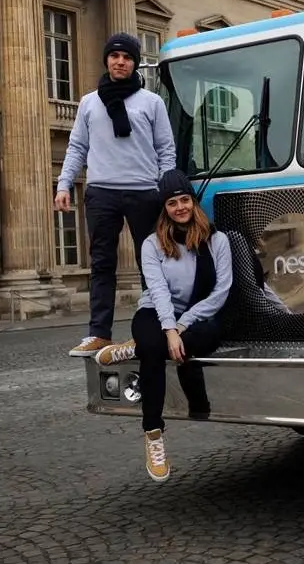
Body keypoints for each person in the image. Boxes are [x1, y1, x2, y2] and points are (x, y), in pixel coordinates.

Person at [98, 169, 232, 482]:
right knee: (155, 351)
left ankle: (139, 346)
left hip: (197, 317)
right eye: (172, 203)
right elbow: (157, 292)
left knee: (190, 340)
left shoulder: (217, 240)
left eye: (185, 200)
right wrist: (170, 329)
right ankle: (153, 434)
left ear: (193, 202)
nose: (180, 207)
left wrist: (182, 326)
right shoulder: (152, 244)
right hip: (155, 313)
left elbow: (222, 290)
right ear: (165, 209)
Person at [55, 32, 176, 357]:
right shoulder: (89, 103)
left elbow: (166, 149)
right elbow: (77, 146)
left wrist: (165, 188)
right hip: (101, 192)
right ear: (107, 60)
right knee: (102, 265)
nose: (120, 61)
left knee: (151, 263)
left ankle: (157, 327)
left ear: (135, 63)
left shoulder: (152, 102)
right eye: (115, 56)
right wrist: (64, 183)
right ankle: (99, 333)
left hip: (144, 192)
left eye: (127, 57)